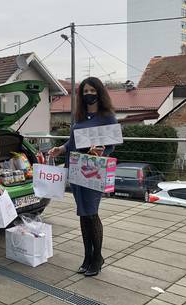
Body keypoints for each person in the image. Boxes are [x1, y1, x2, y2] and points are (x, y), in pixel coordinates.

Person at [48, 77, 117, 277]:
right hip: (76, 169)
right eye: (85, 91)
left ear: (99, 92)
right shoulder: (79, 116)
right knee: (83, 214)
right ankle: (87, 256)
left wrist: (101, 151)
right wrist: (59, 149)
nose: (88, 94)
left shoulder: (107, 117)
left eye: (92, 90)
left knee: (91, 213)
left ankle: (98, 258)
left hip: (94, 171)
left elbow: (111, 145)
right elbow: (72, 143)